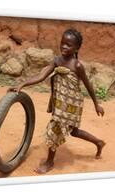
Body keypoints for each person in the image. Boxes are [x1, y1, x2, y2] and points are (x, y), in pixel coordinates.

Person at [7, 28, 106, 174]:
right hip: (60, 102)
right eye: (63, 43)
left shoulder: (77, 66)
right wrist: (22, 84)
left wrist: (97, 104)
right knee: (74, 131)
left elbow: (88, 85)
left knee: (55, 129)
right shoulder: (57, 61)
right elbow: (41, 76)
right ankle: (98, 142)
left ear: (76, 48)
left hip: (72, 103)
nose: (64, 47)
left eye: (69, 45)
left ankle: (49, 162)